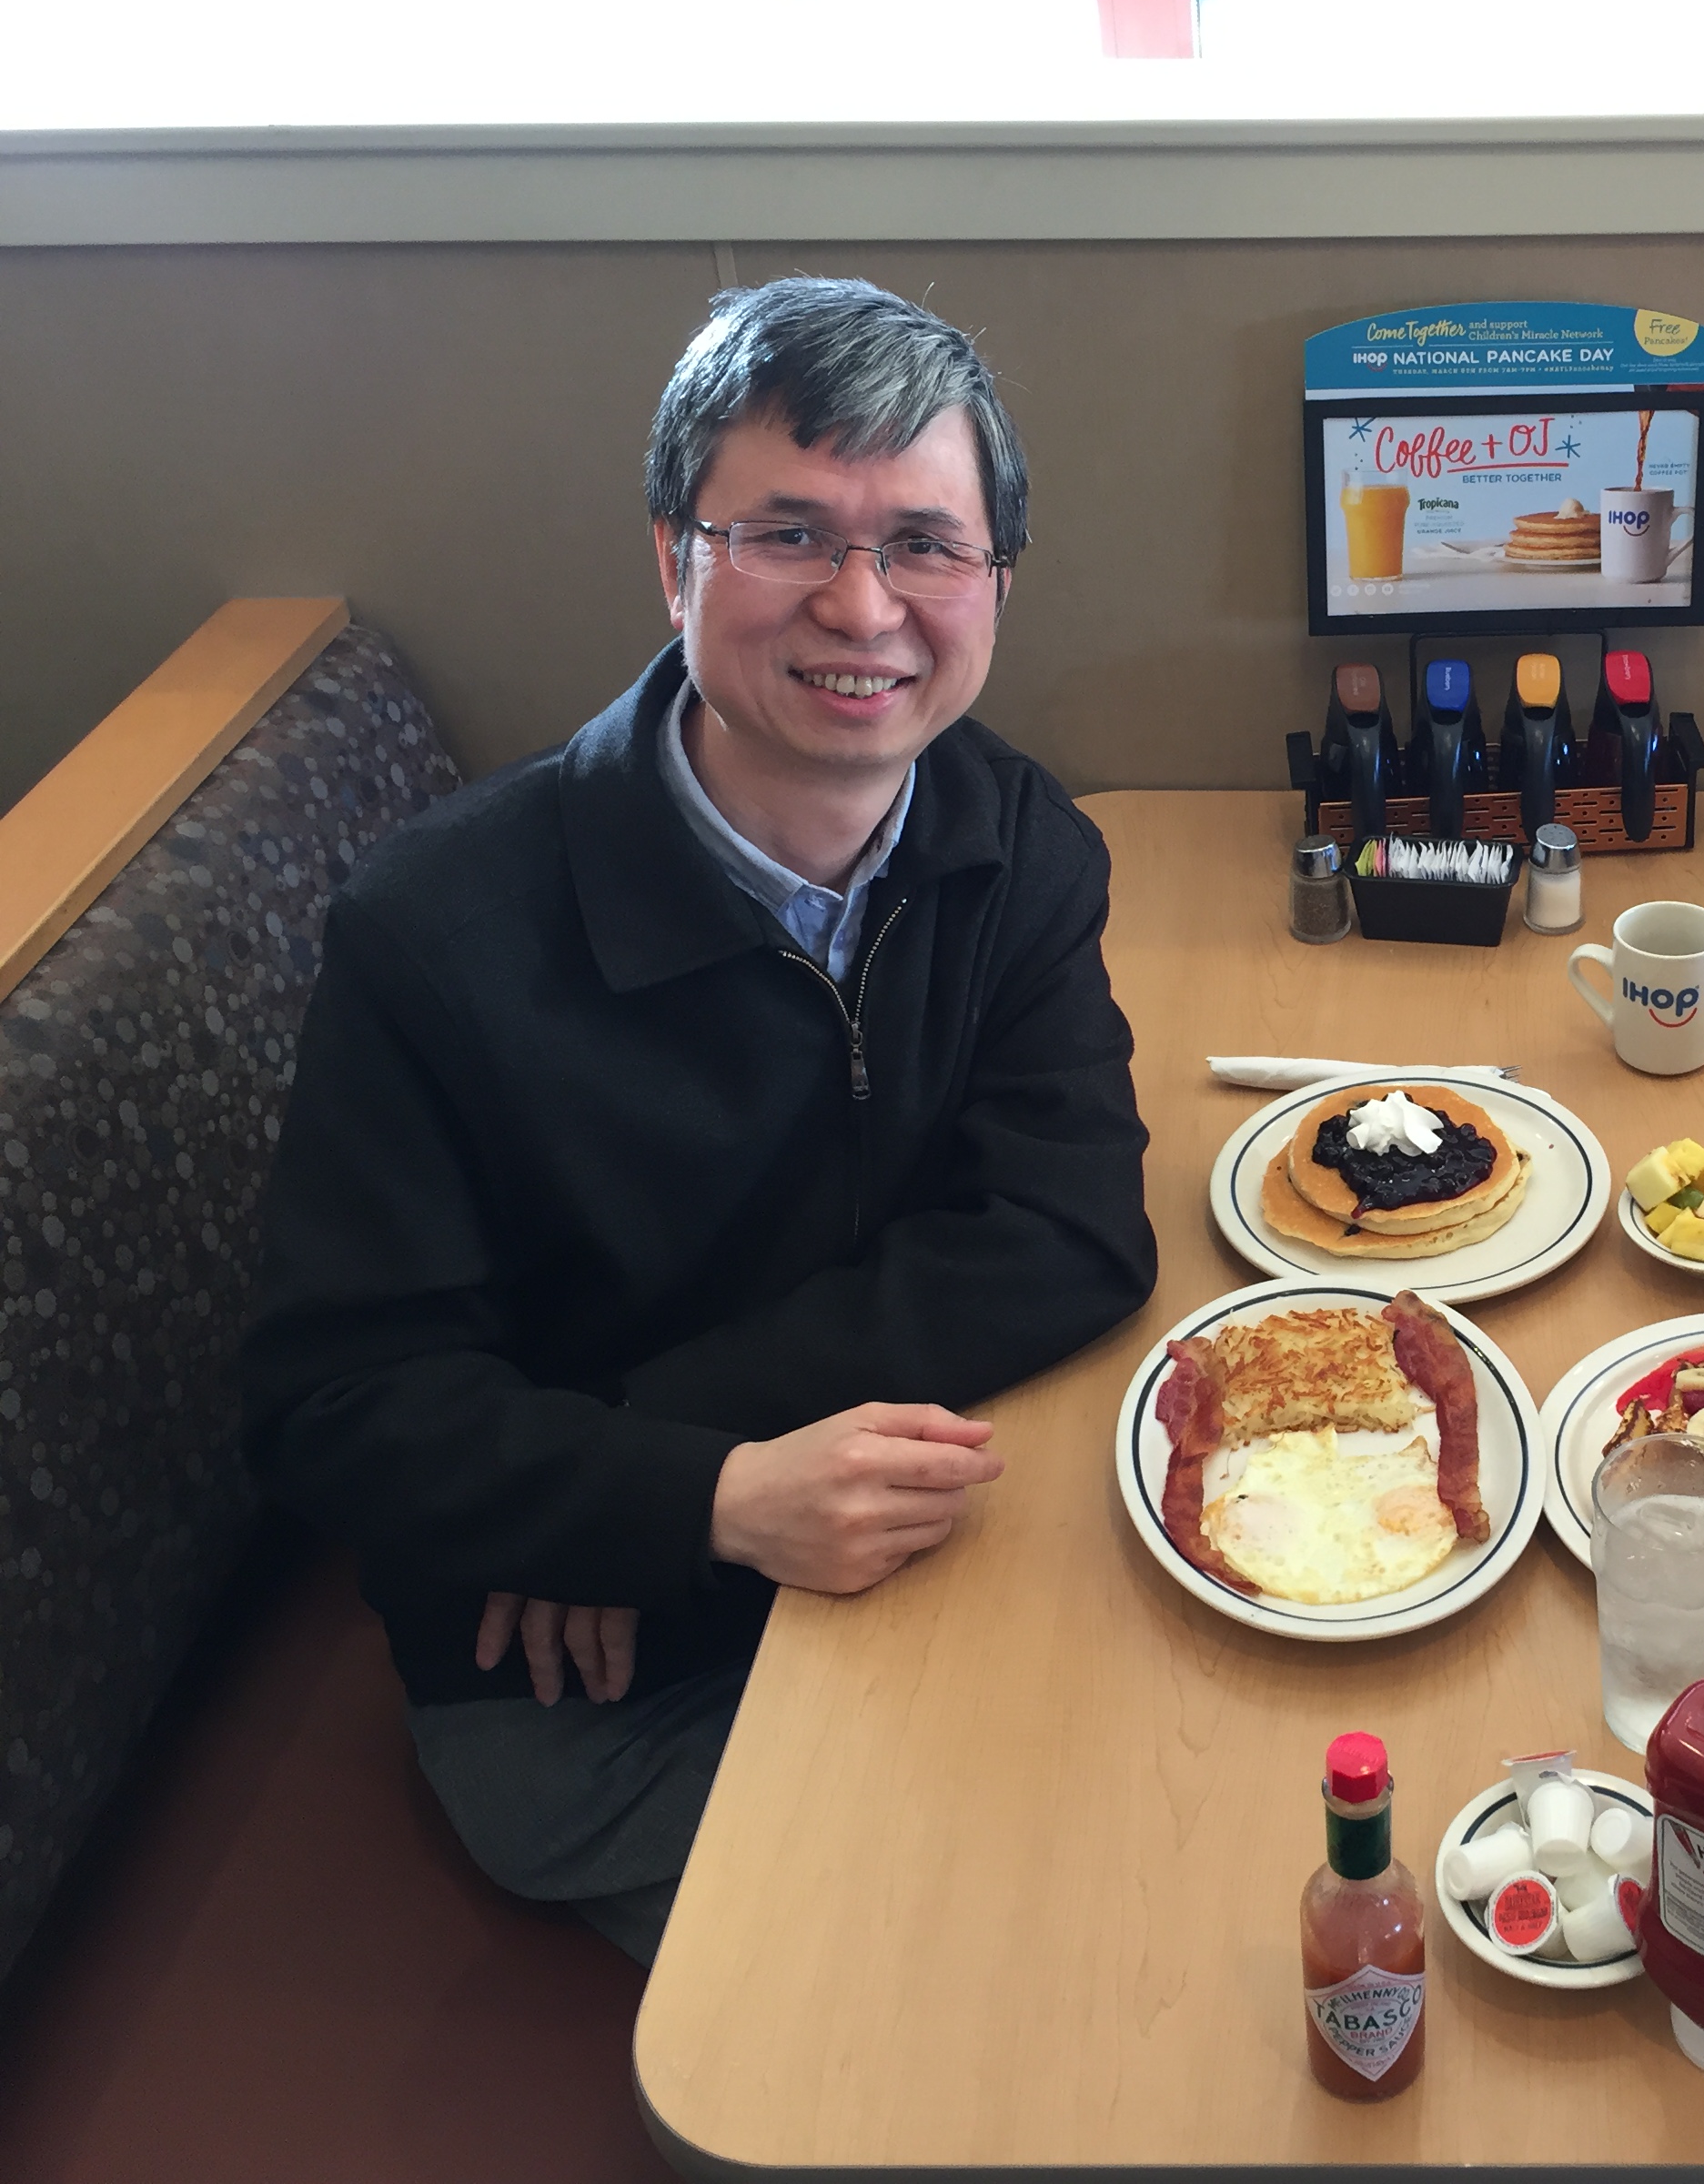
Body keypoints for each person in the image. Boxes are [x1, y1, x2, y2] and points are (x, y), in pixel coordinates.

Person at [242, 278, 1159, 1965]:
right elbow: (338, 1408)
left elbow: (1068, 1230)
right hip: (582, 1677)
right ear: (675, 560)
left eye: (926, 546)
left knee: (1180, 1838)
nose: (866, 605)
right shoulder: (439, 932)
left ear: (996, 585)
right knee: (969, 1980)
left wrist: (666, 1451)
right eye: (790, 532)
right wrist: (703, 1505)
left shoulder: (1015, 839)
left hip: (892, 1533)